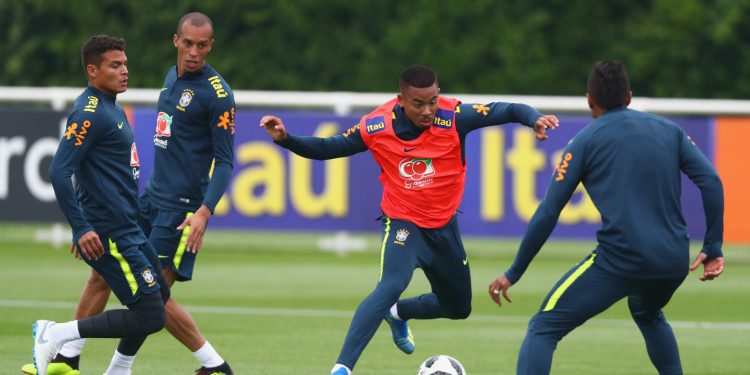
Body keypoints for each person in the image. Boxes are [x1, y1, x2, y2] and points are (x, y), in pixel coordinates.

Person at [260, 64, 560, 375]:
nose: (428, 110)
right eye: (419, 103)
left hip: (444, 227)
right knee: (390, 284)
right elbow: (329, 147)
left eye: (433, 100)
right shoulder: (376, 126)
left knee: (459, 308)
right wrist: (286, 139)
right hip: (403, 224)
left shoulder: (455, 117)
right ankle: (342, 368)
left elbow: (505, 109)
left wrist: (533, 118)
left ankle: (398, 312)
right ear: (401, 100)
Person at [23, 12, 235, 375]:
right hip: (147, 201)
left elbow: (226, 162)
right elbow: (68, 170)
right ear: (176, 41)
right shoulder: (169, 80)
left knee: (153, 300)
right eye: (188, 44)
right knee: (104, 277)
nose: (194, 52)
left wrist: (204, 211)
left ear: (211, 46)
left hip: (179, 209)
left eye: (202, 46)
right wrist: (84, 223)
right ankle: (67, 358)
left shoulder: (217, 95)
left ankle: (139, 366)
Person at [487, 60, 724, 375]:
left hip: (621, 260)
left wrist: (514, 272)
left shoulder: (583, 142)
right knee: (648, 312)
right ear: (629, 97)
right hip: (672, 259)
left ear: (589, 100)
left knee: (543, 328)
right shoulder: (670, 131)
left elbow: (548, 212)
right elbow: (711, 181)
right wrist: (714, 245)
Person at [28, 34, 171, 375]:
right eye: (115, 65)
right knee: (151, 315)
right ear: (93, 71)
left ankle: (117, 368)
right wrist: (82, 227)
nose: (125, 71)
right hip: (112, 230)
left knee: (160, 296)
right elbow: (60, 171)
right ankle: (56, 334)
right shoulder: (89, 112)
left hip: (128, 225)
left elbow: (95, 174)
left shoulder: (111, 106)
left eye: (125, 64)